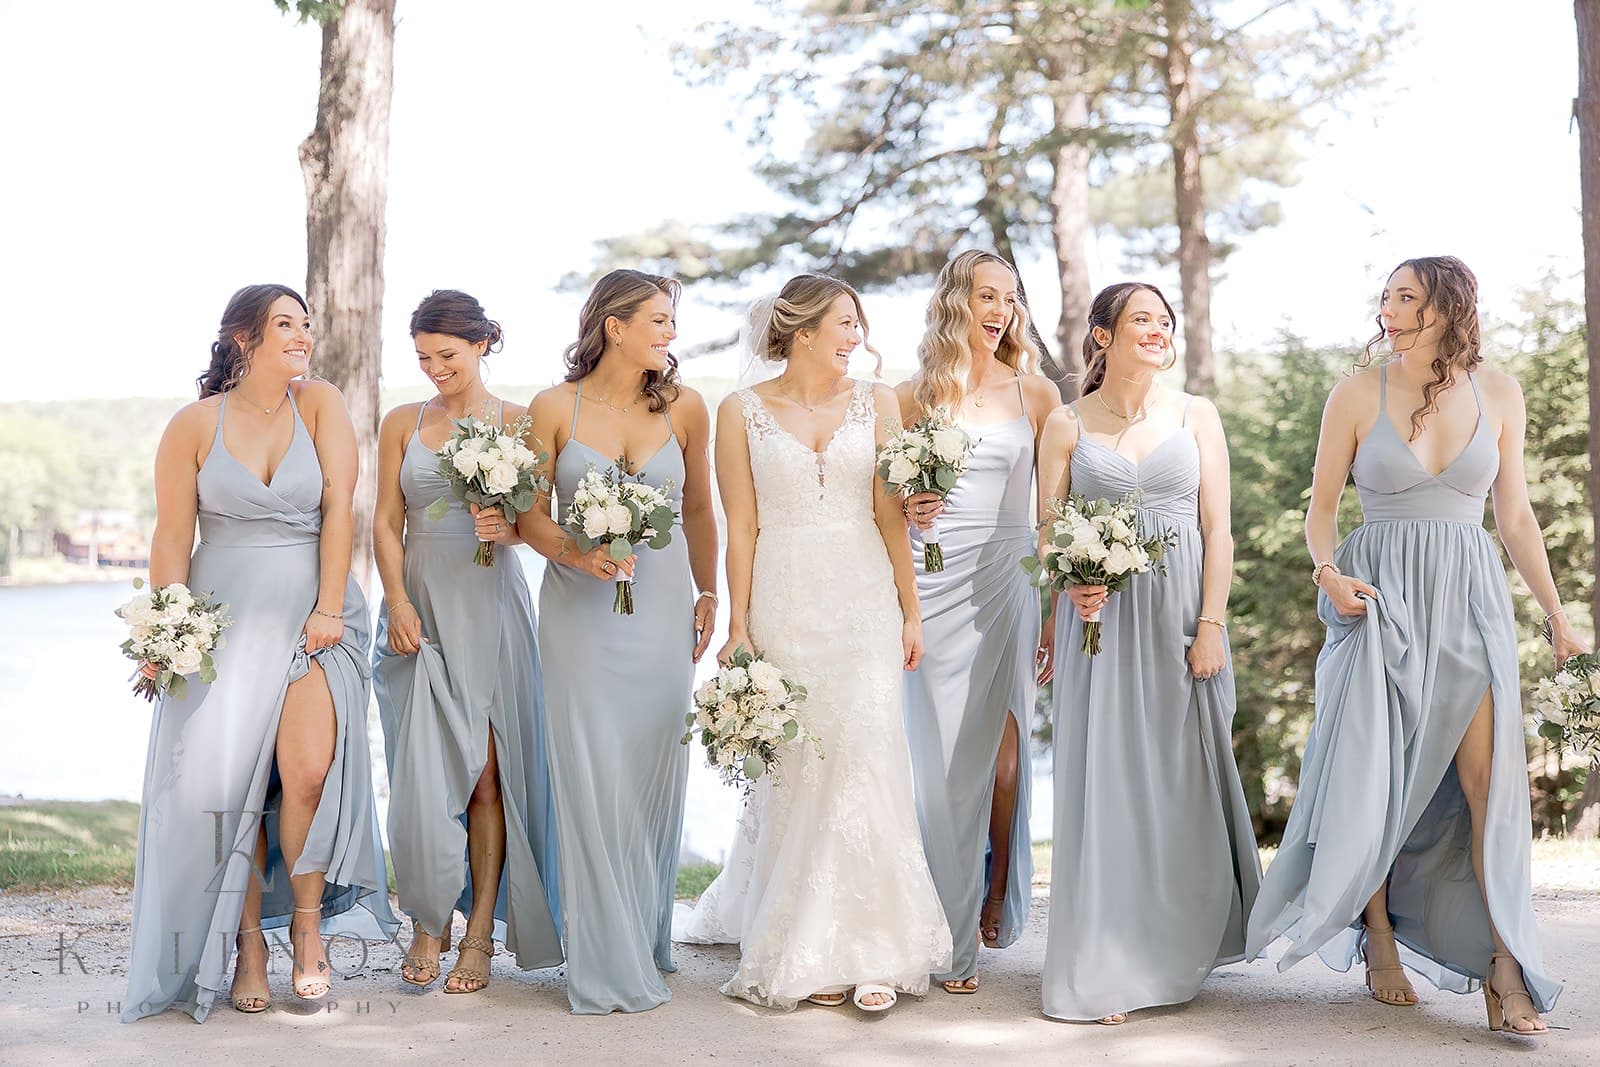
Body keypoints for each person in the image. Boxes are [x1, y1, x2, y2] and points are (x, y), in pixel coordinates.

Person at [1246, 257, 1586, 1036]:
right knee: (1375, 778)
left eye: (1406, 296)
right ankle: (1382, 941)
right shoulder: (1356, 391)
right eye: (1387, 295)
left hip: (1471, 602)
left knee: (1488, 787)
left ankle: (1506, 965)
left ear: (1447, 305)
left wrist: (1558, 615)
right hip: (1379, 602)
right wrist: (1327, 572)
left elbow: (1517, 517)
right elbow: (1322, 507)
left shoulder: (1499, 391)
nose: (1388, 308)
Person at [677, 273, 953, 1014]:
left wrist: (911, 609)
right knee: (802, 766)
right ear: (800, 332)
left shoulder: (881, 401)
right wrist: (737, 625)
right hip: (786, 593)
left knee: (867, 753)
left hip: (863, 594)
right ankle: (812, 941)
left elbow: (892, 515)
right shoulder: (740, 411)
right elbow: (742, 524)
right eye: (843, 322)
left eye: (857, 323)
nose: (855, 335)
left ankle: (876, 950)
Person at [123, 284, 395, 1021]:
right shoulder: (192, 425)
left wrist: (331, 604)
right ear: (244, 338)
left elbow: (342, 504)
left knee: (306, 771)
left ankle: (308, 931)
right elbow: (172, 537)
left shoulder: (321, 405)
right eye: (285, 324)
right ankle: (248, 946)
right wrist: (167, 631)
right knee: (231, 789)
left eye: (306, 323)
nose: (302, 335)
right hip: (224, 623)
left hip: (317, 615)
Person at [1036, 282, 1261, 1025]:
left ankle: (1176, 945)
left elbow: (1218, 529)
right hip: (1100, 623)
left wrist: (1211, 624)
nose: (1159, 330)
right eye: (1142, 319)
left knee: (1176, 778)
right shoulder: (1066, 425)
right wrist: (1073, 581)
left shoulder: (1196, 414)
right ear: (1101, 335)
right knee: (1105, 782)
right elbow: (1044, 532)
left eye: (1165, 321)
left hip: (1179, 620)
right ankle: (1105, 960)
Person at [516, 269, 718, 1014]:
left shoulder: (689, 408)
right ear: (615, 327)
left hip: (663, 608)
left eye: (672, 321)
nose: (670, 332)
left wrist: (709, 591)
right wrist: (576, 552)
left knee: (650, 768)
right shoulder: (552, 407)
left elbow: (698, 508)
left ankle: (641, 933)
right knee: (592, 773)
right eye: (659, 320)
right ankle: (603, 955)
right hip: (579, 611)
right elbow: (527, 513)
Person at [371, 290, 562, 994]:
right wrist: (394, 598)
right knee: (420, 775)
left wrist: (508, 528)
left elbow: (540, 527)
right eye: (422, 357)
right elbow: (385, 523)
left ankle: (478, 931)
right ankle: (429, 914)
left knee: (486, 776)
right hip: (419, 604)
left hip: (490, 603)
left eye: (446, 354)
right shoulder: (401, 423)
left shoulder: (520, 422)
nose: (434, 369)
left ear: (482, 343)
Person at [894, 250, 1057, 994]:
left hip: (1008, 581)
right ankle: (947, 926)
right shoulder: (909, 397)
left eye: (1010, 297)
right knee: (936, 765)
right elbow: (884, 507)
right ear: (957, 303)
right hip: (933, 583)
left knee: (1004, 762)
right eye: (987, 294)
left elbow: (1053, 515)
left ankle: (993, 889)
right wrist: (909, 507)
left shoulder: (1038, 394)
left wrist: (1056, 608)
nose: (1001, 308)